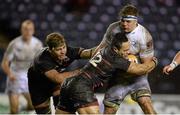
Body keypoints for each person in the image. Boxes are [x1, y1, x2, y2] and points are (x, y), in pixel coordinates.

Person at [55, 32, 157, 114]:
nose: (128, 52)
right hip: (82, 87)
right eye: (125, 50)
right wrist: (154, 62)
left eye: (128, 49)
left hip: (68, 83)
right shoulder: (115, 59)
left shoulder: (106, 48)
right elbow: (142, 70)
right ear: (115, 49)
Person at [93, 4, 157, 114]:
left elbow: (146, 66)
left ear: (135, 21)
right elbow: (102, 48)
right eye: (122, 21)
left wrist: (134, 65)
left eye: (128, 21)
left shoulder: (145, 36)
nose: (124, 24)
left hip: (137, 78)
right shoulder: (113, 29)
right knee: (109, 110)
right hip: (117, 76)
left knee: (146, 103)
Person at [27, 32, 95, 114]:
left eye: (64, 47)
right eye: (59, 49)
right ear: (50, 49)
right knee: (43, 112)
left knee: (64, 106)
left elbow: (88, 52)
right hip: (38, 86)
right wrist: (81, 71)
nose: (63, 51)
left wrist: (104, 48)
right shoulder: (42, 60)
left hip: (54, 84)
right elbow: (58, 78)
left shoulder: (68, 51)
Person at [1, 20, 43, 114]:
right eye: (25, 29)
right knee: (14, 110)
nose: (28, 32)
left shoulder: (38, 44)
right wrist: (10, 74)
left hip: (30, 76)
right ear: (21, 30)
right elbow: (4, 63)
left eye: (30, 29)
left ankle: (24, 108)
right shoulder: (14, 44)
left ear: (33, 30)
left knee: (33, 106)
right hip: (15, 75)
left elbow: (40, 62)